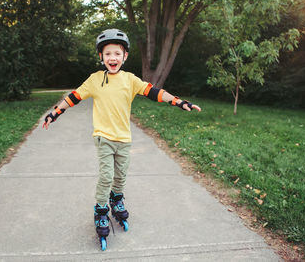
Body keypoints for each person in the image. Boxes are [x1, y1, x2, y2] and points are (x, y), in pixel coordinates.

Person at [42, 28, 201, 250]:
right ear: (101, 57)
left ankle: (116, 201)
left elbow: (154, 91)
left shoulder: (130, 80)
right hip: (103, 137)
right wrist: (55, 112)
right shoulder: (96, 80)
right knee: (106, 175)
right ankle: (100, 210)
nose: (112, 58)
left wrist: (178, 101)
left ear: (125, 56)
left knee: (121, 176)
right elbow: (74, 97)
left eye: (117, 53)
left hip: (124, 139)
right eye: (107, 54)